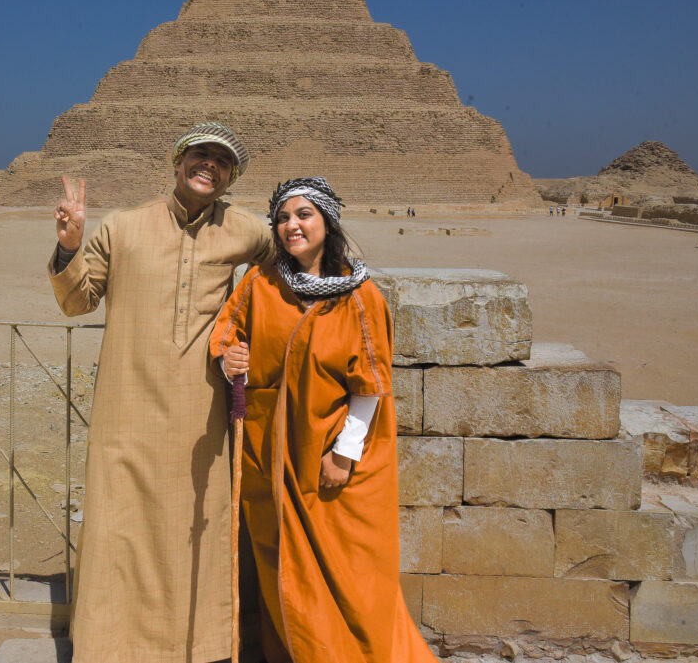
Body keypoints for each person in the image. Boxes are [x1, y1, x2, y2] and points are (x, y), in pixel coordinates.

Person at [48, 122, 273, 662]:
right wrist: (69, 246)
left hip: (200, 413)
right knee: (118, 531)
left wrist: (240, 340)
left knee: (193, 528)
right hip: (125, 409)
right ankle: (109, 647)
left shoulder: (247, 231)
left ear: (231, 176)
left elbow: (290, 273)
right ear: (177, 161)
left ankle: (197, 647)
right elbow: (77, 301)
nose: (209, 167)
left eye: (221, 162)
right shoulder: (122, 228)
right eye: (199, 156)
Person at [211, 177, 438, 662]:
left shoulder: (359, 296)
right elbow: (228, 331)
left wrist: (345, 453)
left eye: (303, 214)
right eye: (283, 217)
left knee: (349, 573)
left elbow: (371, 385)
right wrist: (228, 357)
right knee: (281, 568)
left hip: (330, 459)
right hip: (269, 455)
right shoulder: (261, 281)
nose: (291, 225)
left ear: (327, 220)